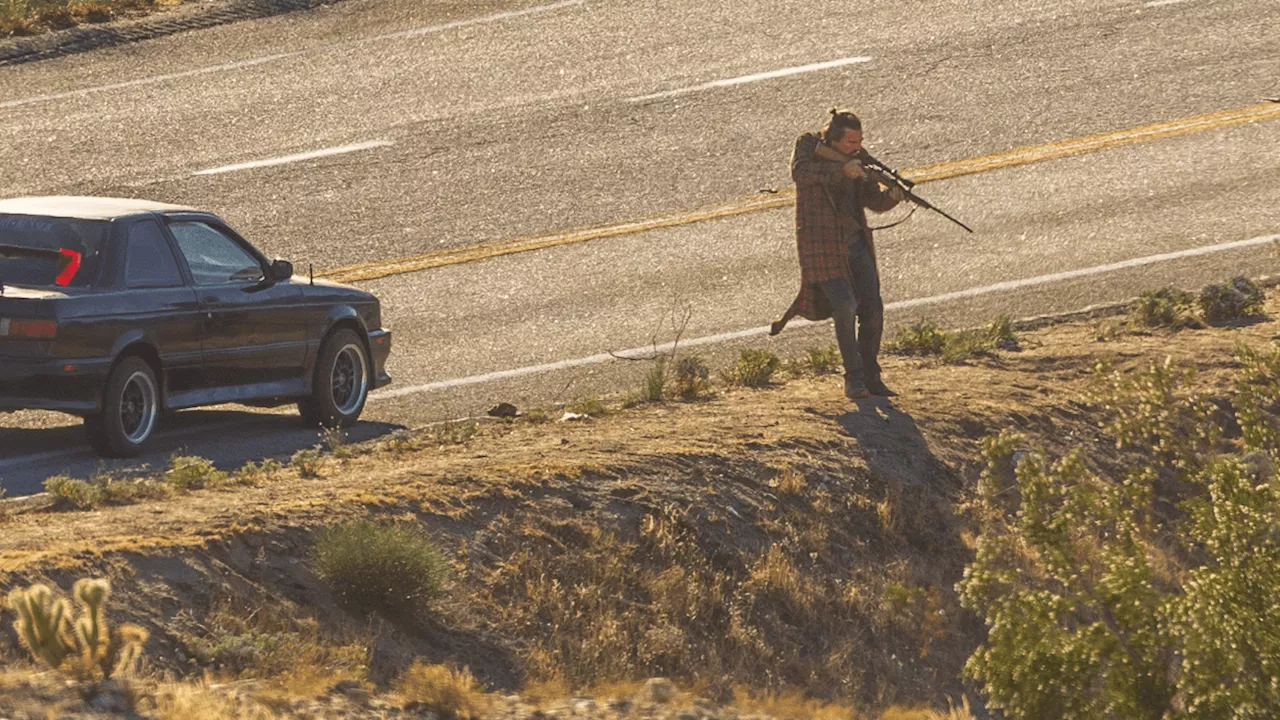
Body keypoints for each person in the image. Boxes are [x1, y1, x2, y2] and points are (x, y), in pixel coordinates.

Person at [770, 109, 904, 400]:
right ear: (833, 138)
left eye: (859, 141)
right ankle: (854, 379)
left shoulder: (859, 160)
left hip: (855, 244)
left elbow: (873, 201)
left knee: (873, 309)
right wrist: (841, 171)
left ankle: (872, 376)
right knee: (844, 305)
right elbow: (801, 173)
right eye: (850, 142)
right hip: (823, 246)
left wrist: (893, 195)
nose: (856, 147)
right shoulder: (808, 145)